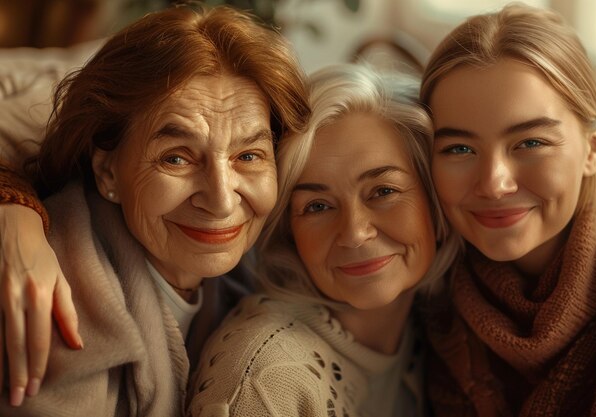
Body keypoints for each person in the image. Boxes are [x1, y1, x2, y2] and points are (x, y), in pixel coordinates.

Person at [0, 4, 309, 414]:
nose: (221, 200)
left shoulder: (267, 265)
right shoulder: (62, 311)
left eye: (249, 156)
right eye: (176, 159)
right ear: (107, 171)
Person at [186, 63, 460, 417]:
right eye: (317, 206)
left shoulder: (439, 333)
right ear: (289, 230)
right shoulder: (264, 380)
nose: (354, 232)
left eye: (383, 191)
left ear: (436, 202)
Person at [418, 4, 596, 416]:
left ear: (595, 145)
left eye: (531, 143)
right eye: (459, 149)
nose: (495, 184)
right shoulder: (426, 289)